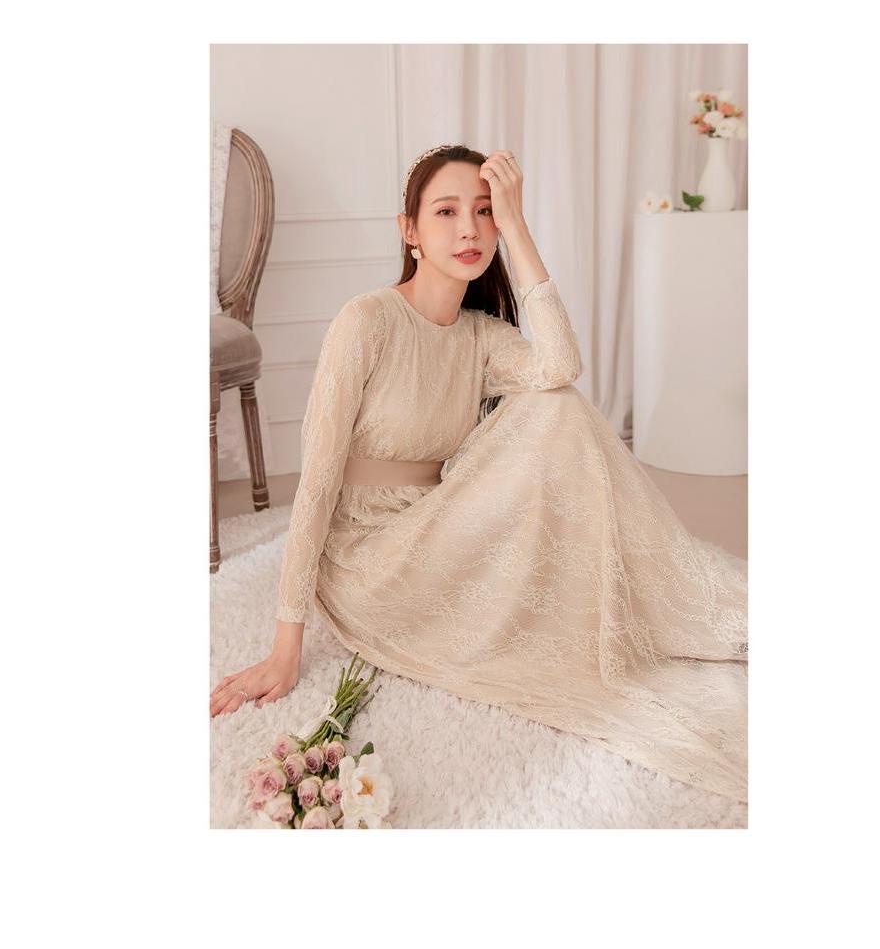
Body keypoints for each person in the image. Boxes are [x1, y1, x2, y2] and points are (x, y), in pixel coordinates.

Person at [210, 144, 748, 803]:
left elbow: (560, 365)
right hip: (370, 563)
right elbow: (317, 482)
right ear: (409, 230)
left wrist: (517, 226)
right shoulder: (366, 321)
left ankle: (676, 602)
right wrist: (284, 645)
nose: (469, 228)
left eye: (485, 212)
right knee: (556, 417)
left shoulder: (480, 336)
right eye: (446, 212)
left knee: (558, 408)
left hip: (439, 532)